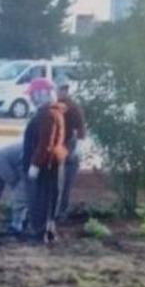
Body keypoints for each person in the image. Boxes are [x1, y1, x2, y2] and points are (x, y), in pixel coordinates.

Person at [22, 78, 68, 243]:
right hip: (51, 162)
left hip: (45, 164)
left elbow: (45, 143)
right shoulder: (54, 112)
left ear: (42, 95)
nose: (31, 98)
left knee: (41, 199)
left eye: (34, 95)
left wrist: (35, 164)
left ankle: (40, 233)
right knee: (51, 198)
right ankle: (48, 231)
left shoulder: (47, 114)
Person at [57, 80, 87, 217]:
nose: (61, 92)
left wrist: (77, 148)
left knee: (65, 181)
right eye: (60, 90)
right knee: (60, 181)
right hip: (60, 146)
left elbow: (81, 129)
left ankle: (61, 210)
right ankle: (58, 210)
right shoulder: (55, 106)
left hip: (68, 145)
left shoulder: (73, 108)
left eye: (63, 90)